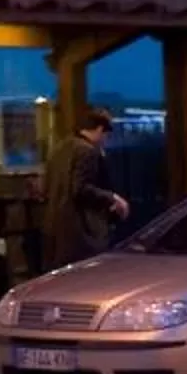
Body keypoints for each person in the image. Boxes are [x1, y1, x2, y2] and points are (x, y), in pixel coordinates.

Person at [42, 109, 130, 267]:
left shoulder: (59, 149)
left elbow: (47, 187)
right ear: (100, 129)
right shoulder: (87, 151)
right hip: (81, 232)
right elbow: (81, 188)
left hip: (55, 230)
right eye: (106, 135)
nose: (105, 140)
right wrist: (112, 198)